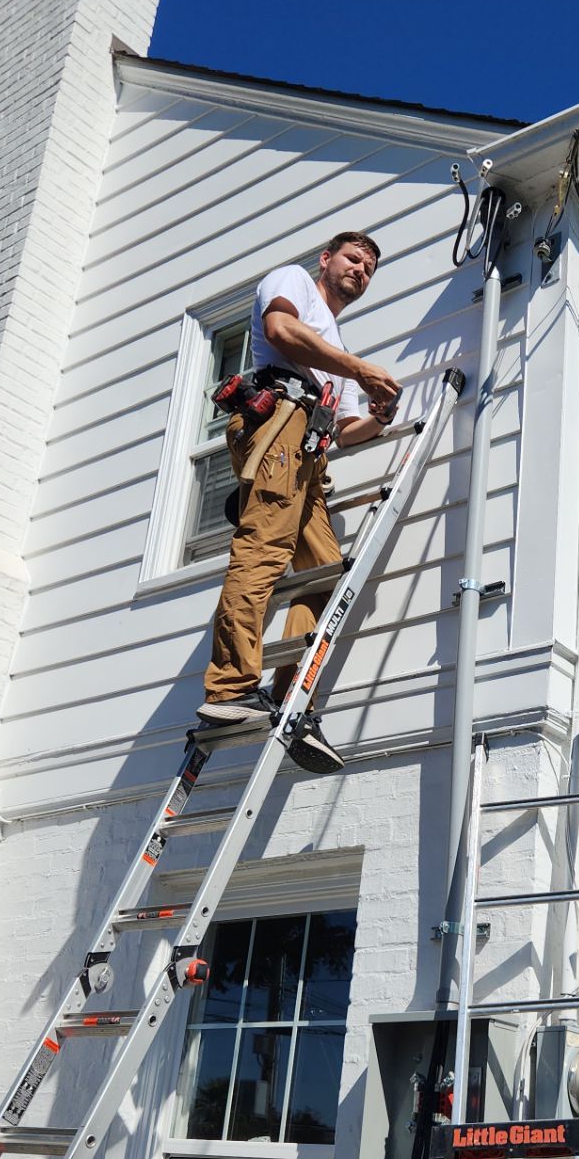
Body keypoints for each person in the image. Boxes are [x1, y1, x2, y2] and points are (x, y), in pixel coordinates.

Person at [197, 230, 401, 774]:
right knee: (264, 547)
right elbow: (279, 329)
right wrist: (359, 368)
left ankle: (287, 695)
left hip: (311, 448)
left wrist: (377, 417)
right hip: (280, 423)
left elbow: (346, 430)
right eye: (353, 259)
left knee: (323, 575)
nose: (360, 270)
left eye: (369, 268)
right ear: (326, 259)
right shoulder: (294, 285)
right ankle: (229, 689)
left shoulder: (333, 342)